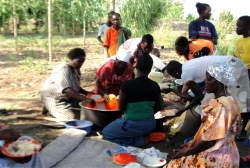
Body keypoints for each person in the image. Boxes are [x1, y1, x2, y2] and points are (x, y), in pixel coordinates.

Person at [165, 61, 240, 168]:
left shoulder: (219, 106)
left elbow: (210, 141)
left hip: (216, 157)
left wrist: (187, 152)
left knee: (174, 164)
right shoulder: (231, 99)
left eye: (209, 79)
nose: (205, 82)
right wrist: (194, 142)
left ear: (219, 82)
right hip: (229, 150)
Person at [163, 56, 249, 140]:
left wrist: (182, 110)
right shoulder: (187, 65)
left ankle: (214, 131)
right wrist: (172, 90)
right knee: (243, 100)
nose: (175, 77)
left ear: (176, 72)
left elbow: (199, 97)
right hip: (236, 63)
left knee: (207, 104)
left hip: (229, 67)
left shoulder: (185, 73)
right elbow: (190, 89)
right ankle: (242, 130)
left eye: (173, 75)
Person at [102, 53, 161, 147]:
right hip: (150, 125)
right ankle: (142, 136)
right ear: (150, 69)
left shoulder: (127, 85)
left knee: (106, 133)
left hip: (132, 124)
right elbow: (157, 109)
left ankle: (139, 141)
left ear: (136, 66)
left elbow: (120, 109)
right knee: (132, 129)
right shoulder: (156, 86)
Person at [40, 48, 95, 121]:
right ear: (71, 59)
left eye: (82, 62)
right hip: (55, 98)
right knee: (77, 116)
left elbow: (76, 87)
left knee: (89, 109)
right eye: (79, 62)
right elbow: (67, 90)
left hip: (68, 98)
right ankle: (50, 106)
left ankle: (51, 108)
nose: (81, 64)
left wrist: (86, 93)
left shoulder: (76, 69)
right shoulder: (63, 70)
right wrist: (85, 98)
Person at [235, 15, 250, 141]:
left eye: (240, 26)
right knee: (241, 102)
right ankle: (240, 126)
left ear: (248, 27)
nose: (237, 28)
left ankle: (245, 130)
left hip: (249, 74)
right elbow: (237, 58)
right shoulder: (240, 41)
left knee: (247, 103)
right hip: (240, 73)